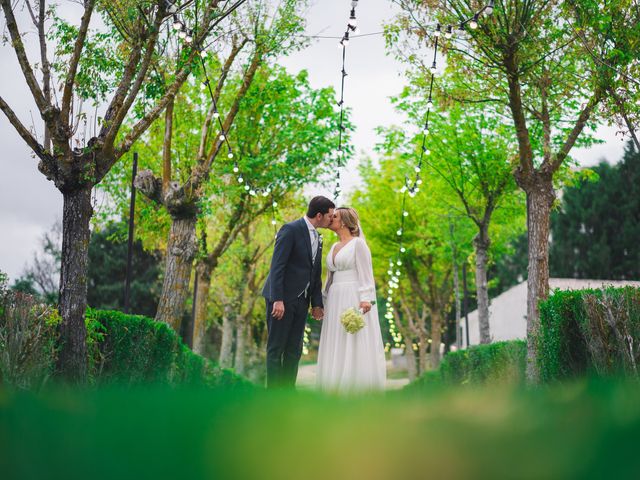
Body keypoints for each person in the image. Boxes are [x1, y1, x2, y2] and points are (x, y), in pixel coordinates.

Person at [261, 196, 335, 388]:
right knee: (277, 348)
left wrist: (316, 303)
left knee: (294, 350)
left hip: (301, 302)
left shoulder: (318, 238)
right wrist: (277, 299)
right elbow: (277, 266)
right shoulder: (290, 229)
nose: (331, 219)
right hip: (281, 300)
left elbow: (315, 272)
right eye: (330, 216)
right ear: (319, 215)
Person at [316, 207, 386, 393]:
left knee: (352, 338)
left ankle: (353, 387)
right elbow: (329, 279)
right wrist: (322, 301)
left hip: (352, 295)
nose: (331, 219)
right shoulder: (333, 247)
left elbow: (366, 273)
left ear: (345, 222)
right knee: (336, 337)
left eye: (335, 217)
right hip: (334, 298)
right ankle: (333, 385)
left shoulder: (358, 244)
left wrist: (365, 299)